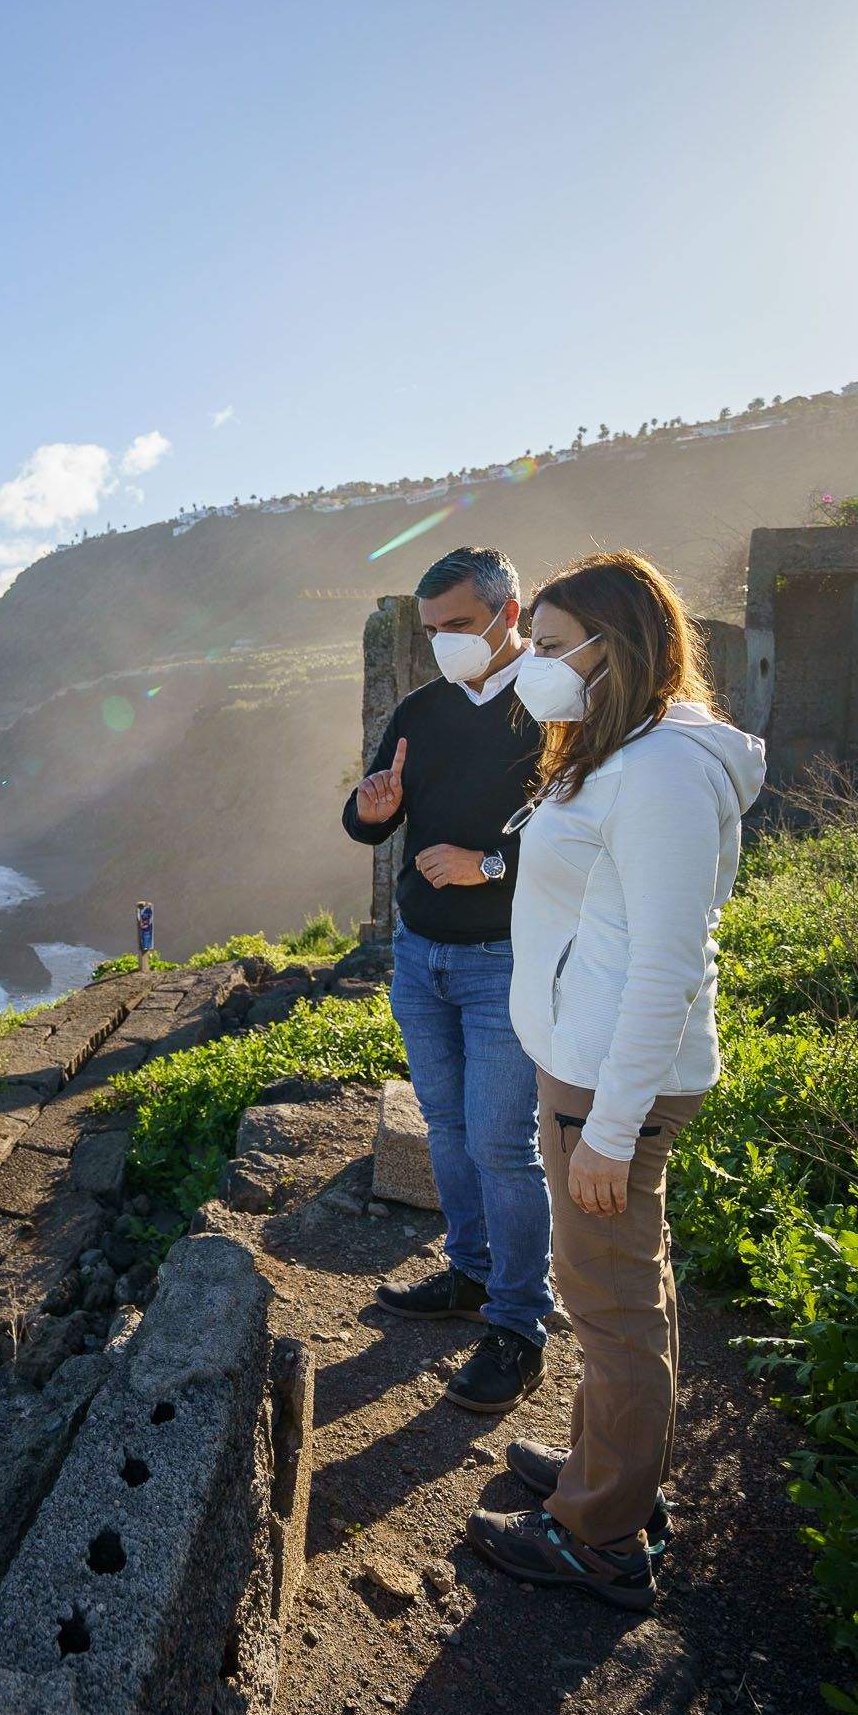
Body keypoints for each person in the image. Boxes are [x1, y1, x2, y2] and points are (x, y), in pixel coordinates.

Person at [465, 550, 765, 1612]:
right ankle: (611, 1466)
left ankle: (599, 1535)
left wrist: (610, 1126)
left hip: (609, 1081)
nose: (531, 665)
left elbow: (668, 964)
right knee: (623, 1290)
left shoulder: (667, 771)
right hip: (589, 1068)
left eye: (548, 646)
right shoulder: (629, 751)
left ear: (616, 647)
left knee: (610, 1303)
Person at [340, 546, 550, 1415]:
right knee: (446, 1126)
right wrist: (371, 812)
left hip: (509, 959)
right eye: (430, 632)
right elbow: (363, 820)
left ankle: (519, 1325)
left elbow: (588, 838)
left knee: (505, 1144)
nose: (443, 645)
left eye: (458, 626)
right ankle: (467, 1273)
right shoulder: (421, 707)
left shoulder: (558, 704)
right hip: (419, 955)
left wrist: (491, 865)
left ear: (509, 613)